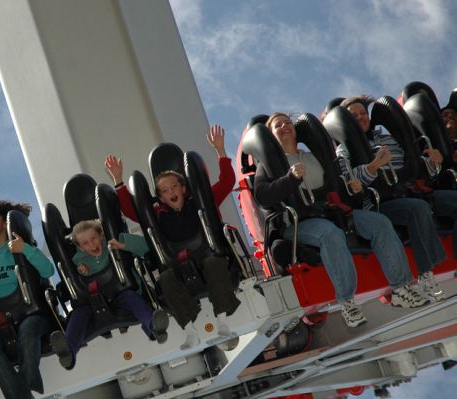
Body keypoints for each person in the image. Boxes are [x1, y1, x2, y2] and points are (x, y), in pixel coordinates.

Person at [256, 113, 427, 328]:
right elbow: (262, 195)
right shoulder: (267, 165)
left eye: (288, 122)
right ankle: (347, 301)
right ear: (270, 135)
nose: (285, 126)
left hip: (332, 213)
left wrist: (352, 187)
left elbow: (336, 186)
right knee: (329, 233)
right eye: (278, 125)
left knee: (379, 222)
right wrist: (289, 179)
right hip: (299, 224)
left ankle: (402, 288)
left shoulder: (313, 156)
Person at [105, 125, 240, 347]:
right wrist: (119, 181)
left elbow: (226, 182)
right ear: (159, 198)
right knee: (165, 278)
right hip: (177, 264)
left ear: (183, 189)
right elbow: (131, 210)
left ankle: (223, 322)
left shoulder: (199, 201)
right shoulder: (158, 213)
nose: (171, 192)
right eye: (165, 191)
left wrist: (220, 151)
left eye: (174, 187)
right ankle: (190, 331)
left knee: (213, 263)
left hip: (207, 256)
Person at [337, 96, 456, 300]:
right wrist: (373, 166)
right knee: (417, 208)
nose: (360, 118)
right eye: (354, 116)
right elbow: (348, 183)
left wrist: (432, 162)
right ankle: (426, 273)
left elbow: (413, 168)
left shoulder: (387, 139)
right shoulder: (343, 150)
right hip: (378, 203)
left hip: (408, 193)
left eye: (363, 113)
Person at [0, 200, 55, 399]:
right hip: (2, 322)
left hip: (33, 316)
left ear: (5, 222)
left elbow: (48, 270)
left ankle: (24, 393)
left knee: (28, 329)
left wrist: (25, 250)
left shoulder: (22, 246)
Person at [49, 220, 169, 369]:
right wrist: (81, 271)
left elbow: (146, 246)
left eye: (93, 238)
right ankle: (68, 352)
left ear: (101, 235)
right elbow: (75, 282)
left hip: (120, 294)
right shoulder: (78, 262)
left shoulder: (114, 245)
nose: (92, 244)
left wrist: (124, 245)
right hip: (92, 303)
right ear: (80, 248)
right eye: (85, 243)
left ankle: (154, 327)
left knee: (133, 299)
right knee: (78, 314)